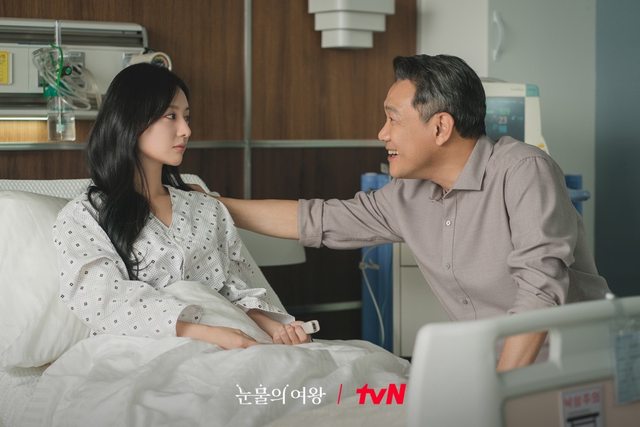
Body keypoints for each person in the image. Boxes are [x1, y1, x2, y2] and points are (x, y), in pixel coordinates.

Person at [219, 54, 610, 370]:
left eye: (393, 118)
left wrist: (498, 393)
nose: (382, 133)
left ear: (440, 127)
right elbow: (317, 220)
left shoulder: (522, 169)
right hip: (490, 367)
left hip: (572, 366)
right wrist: (214, 205)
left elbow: (539, 290)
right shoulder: (408, 195)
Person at [52, 63, 310, 349]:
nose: (186, 130)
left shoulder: (207, 208)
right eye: (171, 116)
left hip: (234, 339)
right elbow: (103, 301)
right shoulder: (84, 216)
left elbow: (234, 290)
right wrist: (209, 334)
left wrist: (277, 329)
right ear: (131, 119)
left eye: (186, 117)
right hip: (142, 350)